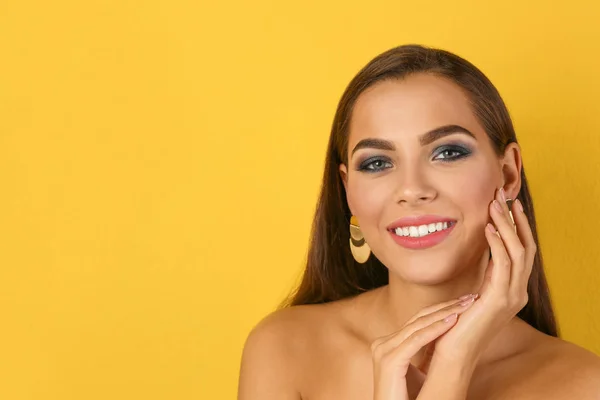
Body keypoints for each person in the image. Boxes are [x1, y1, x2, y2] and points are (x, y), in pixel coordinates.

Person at [237, 45, 600, 399]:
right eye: (377, 163)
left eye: (447, 152)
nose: (411, 189)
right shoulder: (286, 351)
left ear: (507, 175)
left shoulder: (584, 385)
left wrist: (454, 362)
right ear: (348, 190)